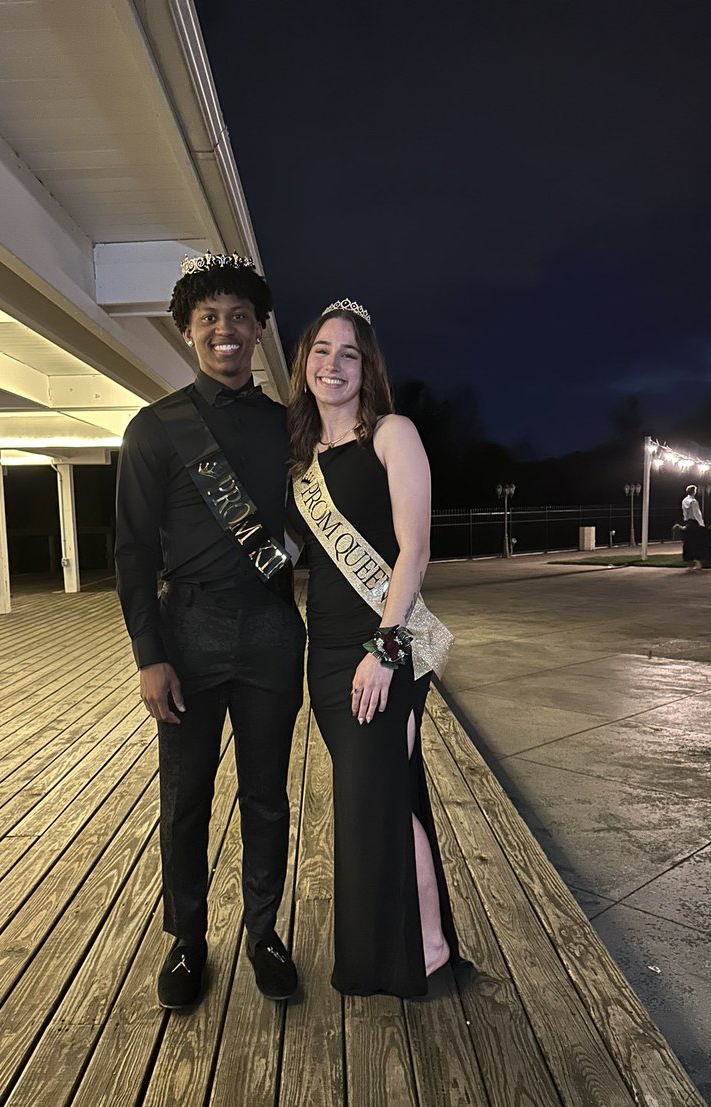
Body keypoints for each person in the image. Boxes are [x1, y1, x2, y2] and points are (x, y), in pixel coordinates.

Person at [115, 252, 305, 1011]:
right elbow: (130, 549)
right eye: (208, 319)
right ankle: (188, 941)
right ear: (188, 332)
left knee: (266, 796)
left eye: (238, 317)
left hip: (269, 631)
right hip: (186, 633)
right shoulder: (154, 428)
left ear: (259, 331)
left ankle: (263, 932)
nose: (224, 331)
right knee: (185, 798)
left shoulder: (291, 428)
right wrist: (148, 655)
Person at [286, 299, 461, 997]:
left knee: (381, 801)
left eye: (348, 353)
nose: (333, 364)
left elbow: (414, 549)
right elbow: (288, 553)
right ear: (304, 364)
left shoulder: (392, 434)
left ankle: (428, 950)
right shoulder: (300, 466)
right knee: (379, 799)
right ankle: (411, 948)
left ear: (367, 368)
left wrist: (385, 652)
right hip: (325, 656)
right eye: (322, 351)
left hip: (385, 650)